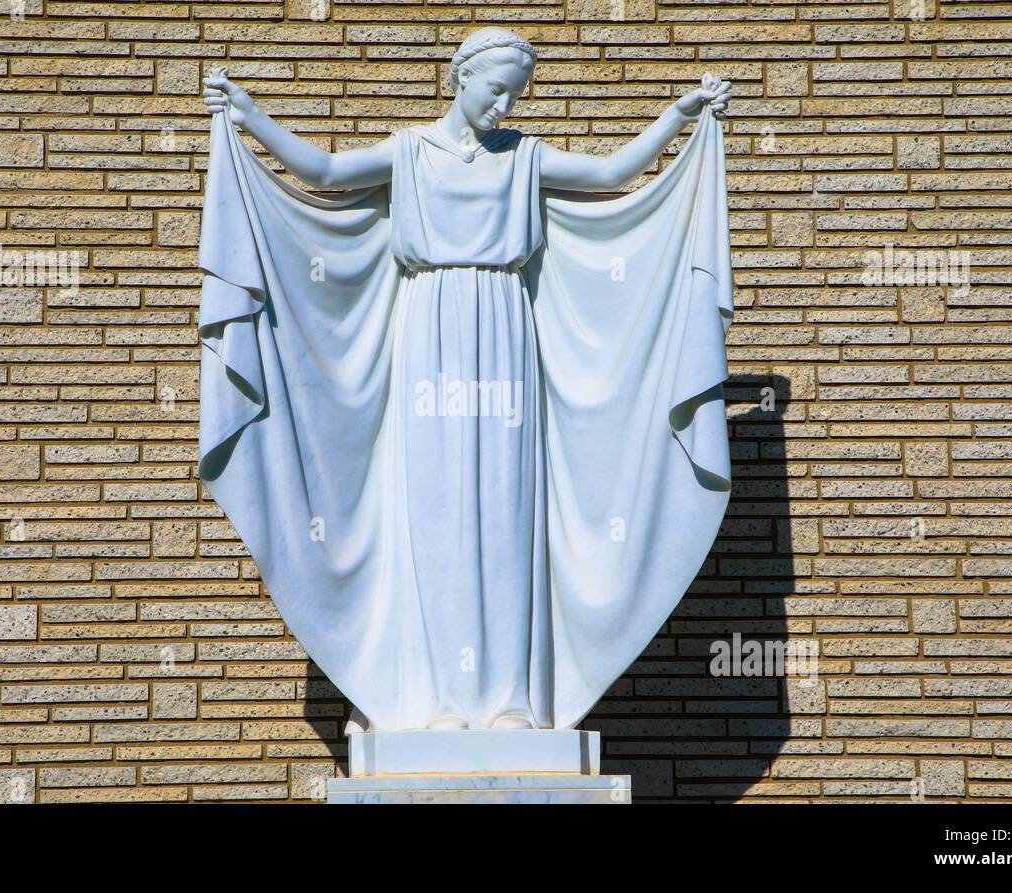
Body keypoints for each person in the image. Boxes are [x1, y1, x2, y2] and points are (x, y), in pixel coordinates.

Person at [197, 27, 735, 732]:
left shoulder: (525, 158)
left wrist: (681, 116)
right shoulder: (411, 152)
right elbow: (325, 173)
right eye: (495, 88)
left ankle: (510, 697)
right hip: (432, 332)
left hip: (506, 333)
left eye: (516, 93)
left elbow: (609, 176)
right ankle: (437, 697)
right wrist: (247, 115)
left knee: (507, 508)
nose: (504, 104)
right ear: (461, 78)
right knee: (437, 510)